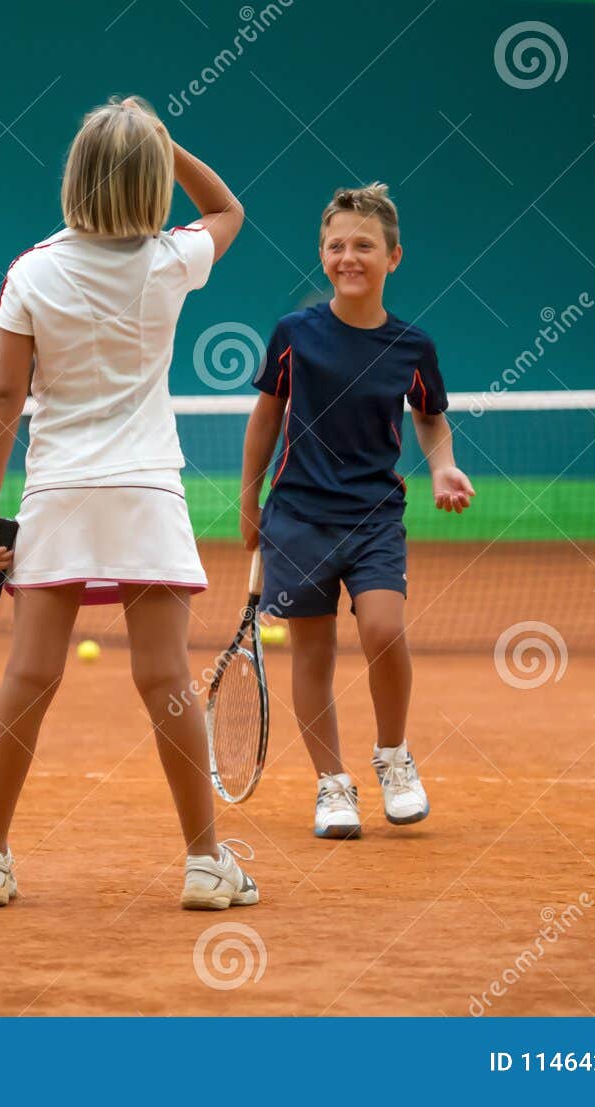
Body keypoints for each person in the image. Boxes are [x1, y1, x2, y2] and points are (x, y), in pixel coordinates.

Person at [0, 96, 252, 910]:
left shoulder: (31, 271)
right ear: (153, 180)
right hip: (145, 490)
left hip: (56, 493)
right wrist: (167, 143)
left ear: (75, 176)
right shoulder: (173, 259)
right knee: (166, 677)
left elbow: (4, 398)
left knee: (29, 675)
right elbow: (229, 208)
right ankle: (205, 864)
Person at [240, 184, 475, 840]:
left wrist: (443, 465)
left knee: (383, 631)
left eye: (364, 245)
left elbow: (430, 416)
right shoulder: (294, 334)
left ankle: (394, 758)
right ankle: (331, 785)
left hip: (374, 518)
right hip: (297, 517)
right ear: (322, 255)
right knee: (312, 655)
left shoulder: (412, 345)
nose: (350, 256)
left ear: (393, 257)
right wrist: (248, 502)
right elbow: (266, 418)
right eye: (337, 245)